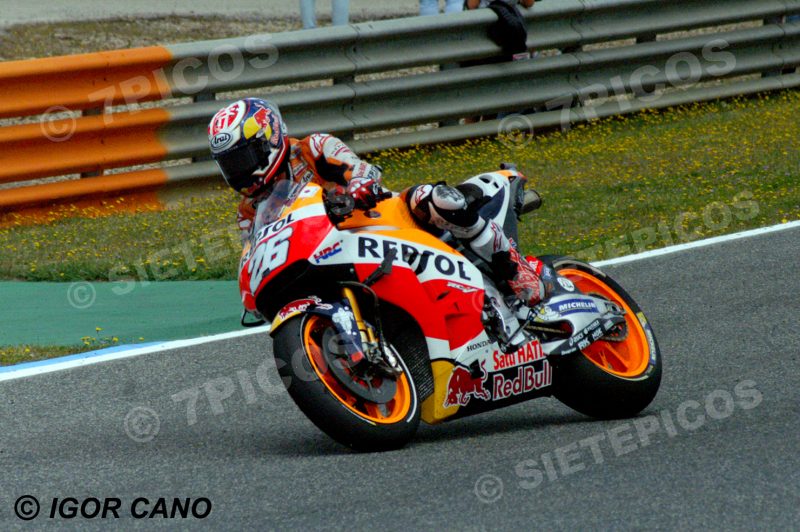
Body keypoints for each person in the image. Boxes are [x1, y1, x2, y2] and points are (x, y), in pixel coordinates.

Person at [207, 98, 552, 313]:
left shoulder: (312, 149)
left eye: (243, 158)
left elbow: (361, 169)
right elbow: (256, 252)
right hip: (327, 255)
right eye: (230, 165)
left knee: (434, 199)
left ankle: (515, 267)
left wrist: (358, 187)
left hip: (380, 219)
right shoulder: (249, 210)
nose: (238, 172)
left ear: (268, 138)